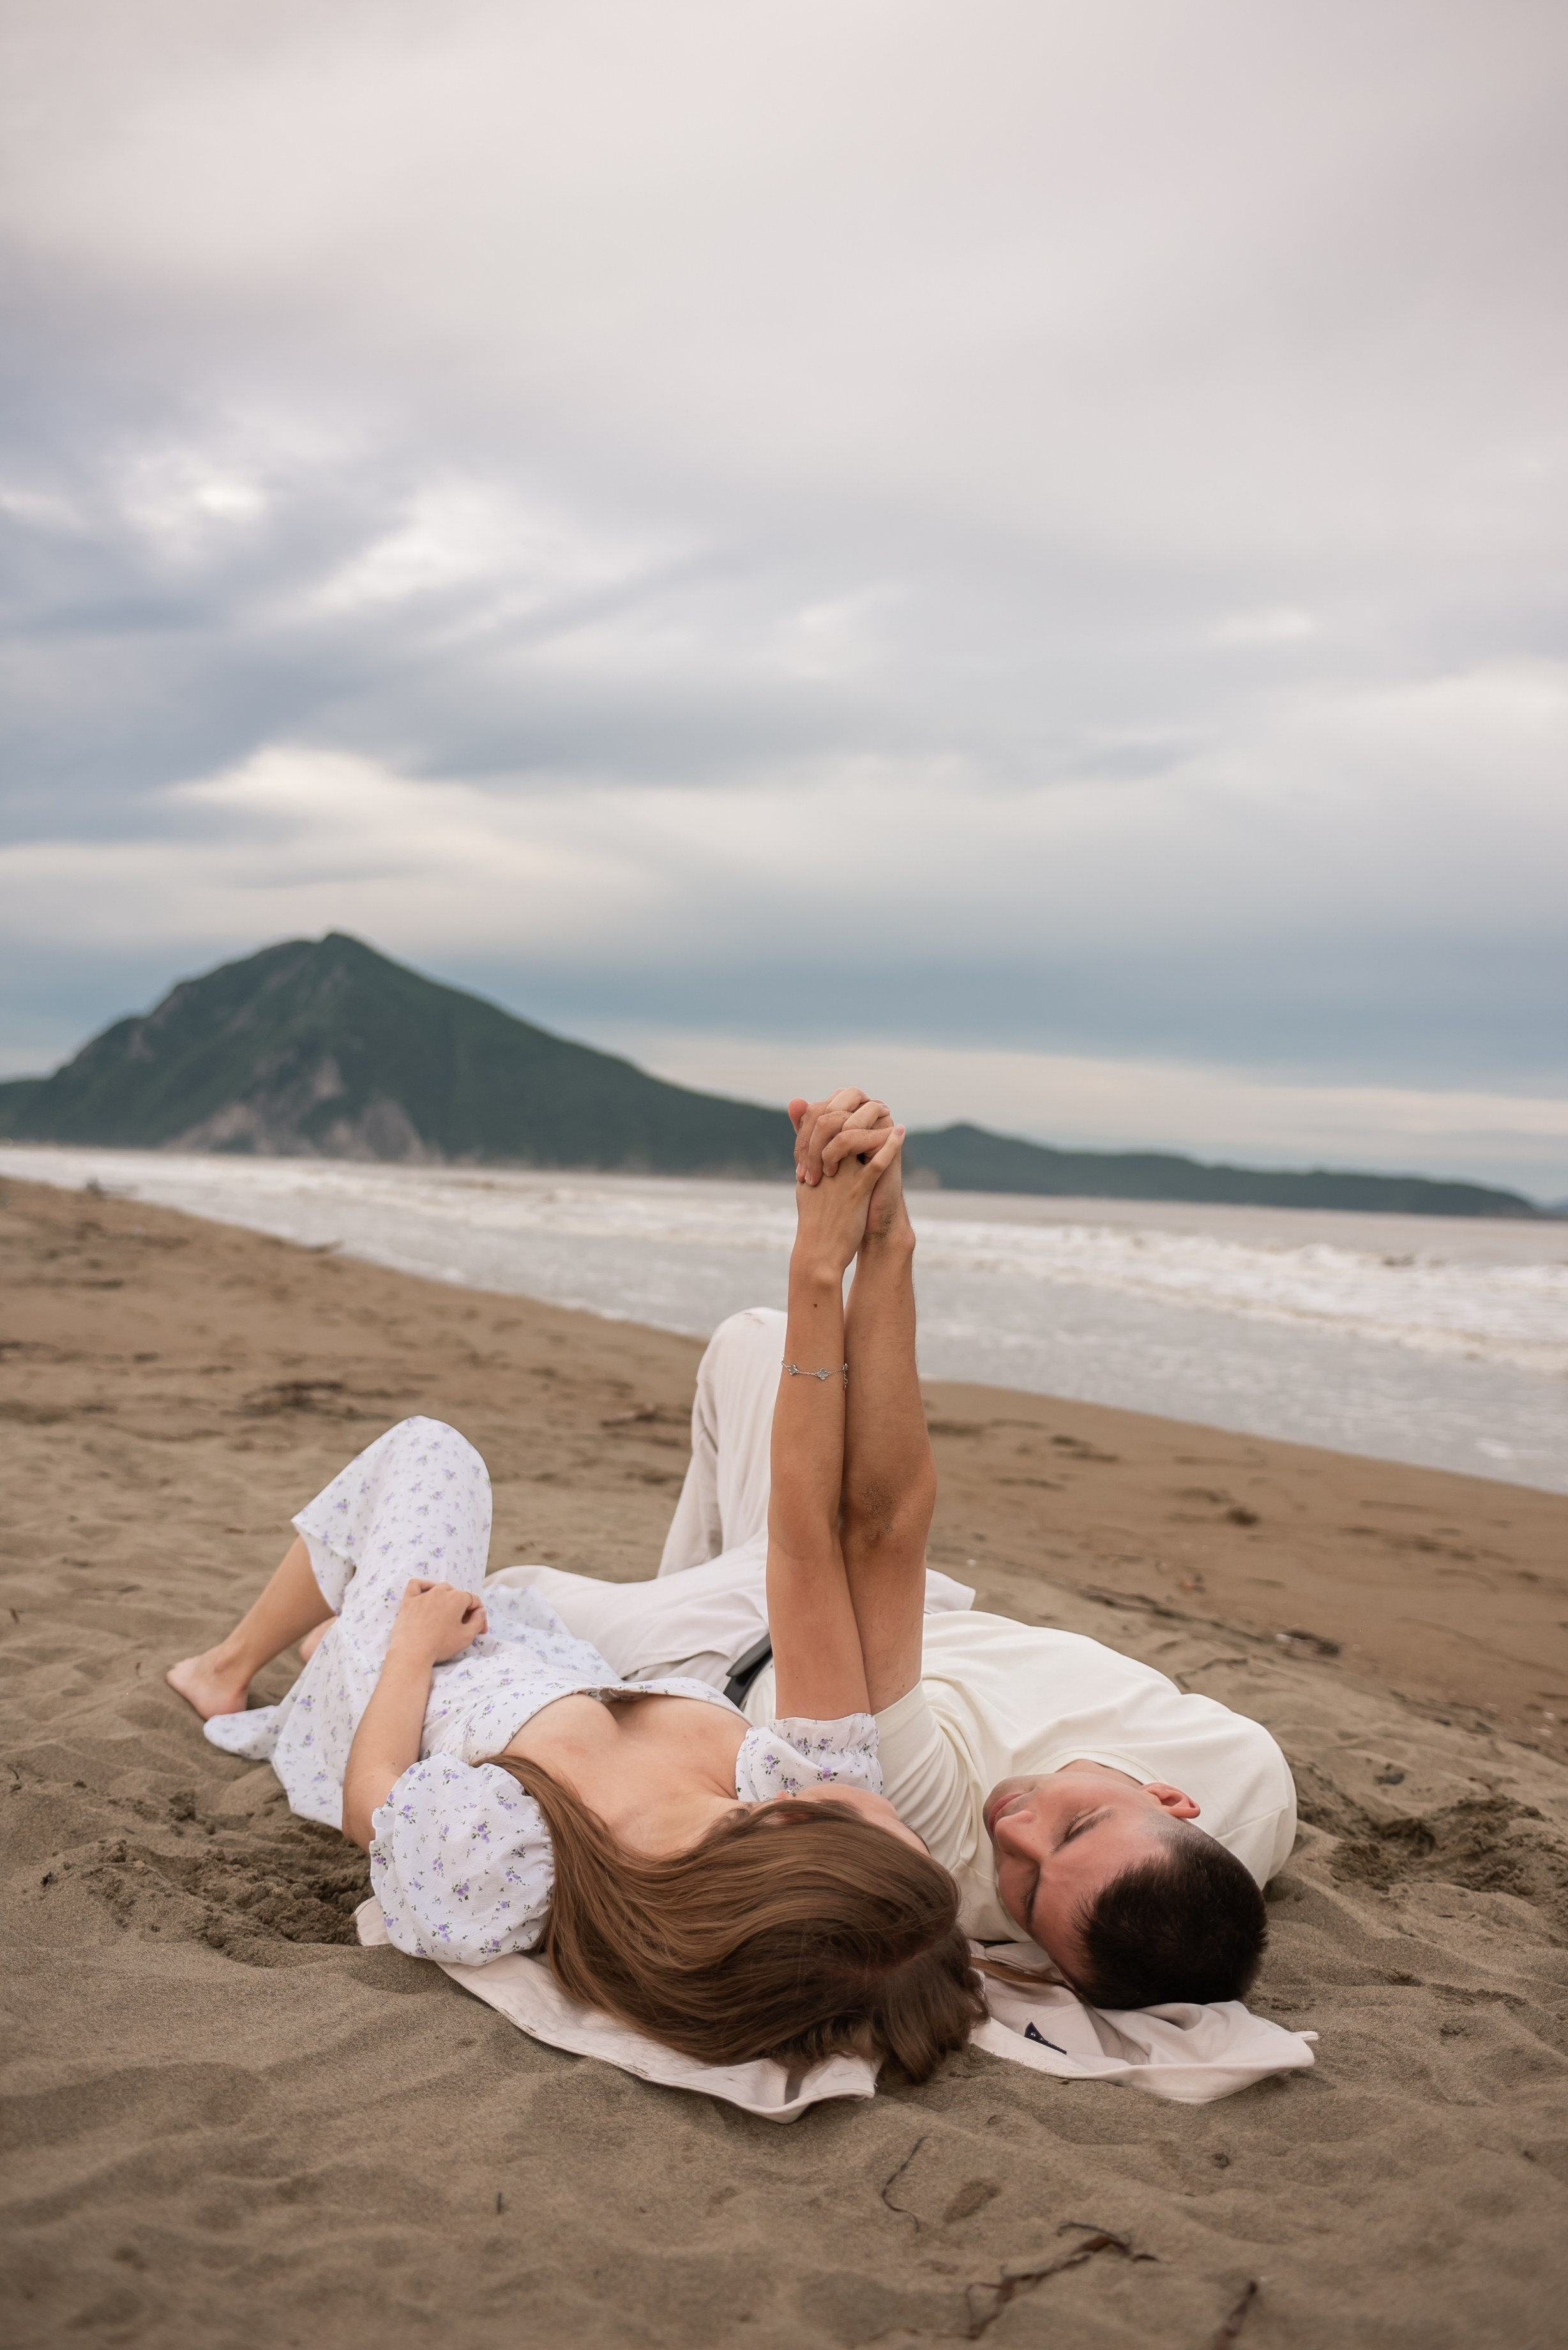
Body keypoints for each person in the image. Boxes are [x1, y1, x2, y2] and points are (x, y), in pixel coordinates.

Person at [167, 1119, 984, 2081]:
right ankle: (315, 1646)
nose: (875, 1794)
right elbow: (813, 1547)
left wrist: (408, 1653)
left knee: (435, 1453)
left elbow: (369, 1804)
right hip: (522, 1642)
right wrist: (856, 1257)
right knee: (445, 1527)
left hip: (414, 1669)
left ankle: (229, 1670)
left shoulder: (525, 1866)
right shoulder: (787, 1782)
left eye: (885, 1827)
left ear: (800, 1842)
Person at [525, 1089, 1295, 2014]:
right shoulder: (1251, 1777)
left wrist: (871, 1251)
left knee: (490, 1601)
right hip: (880, 1605)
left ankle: (655, 1630)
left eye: (1031, 1894)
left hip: (739, 1655)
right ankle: (684, 1576)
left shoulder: (944, 1848)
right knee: (749, 1342)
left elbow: (878, 1526)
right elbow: (860, 1544)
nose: (1018, 1834)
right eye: (1076, 1825)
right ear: (1176, 1802)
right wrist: (882, 1224)